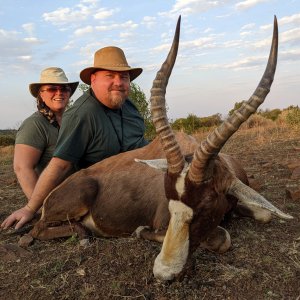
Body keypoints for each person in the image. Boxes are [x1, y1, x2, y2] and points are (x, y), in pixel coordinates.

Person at [1, 46, 148, 230]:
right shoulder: (68, 118)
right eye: (110, 76)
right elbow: (29, 167)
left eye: (124, 76)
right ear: (93, 79)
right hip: (93, 196)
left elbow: (142, 147)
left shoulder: (130, 109)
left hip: (134, 185)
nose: (59, 92)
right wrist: (34, 208)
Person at [14, 67, 79, 200]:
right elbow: (22, 168)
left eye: (64, 89)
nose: (59, 93)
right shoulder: (34, 124)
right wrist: (39, 208)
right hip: (54, 200)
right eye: (52, 89)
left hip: (77, 194)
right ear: (41, 95)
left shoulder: (72, 120)